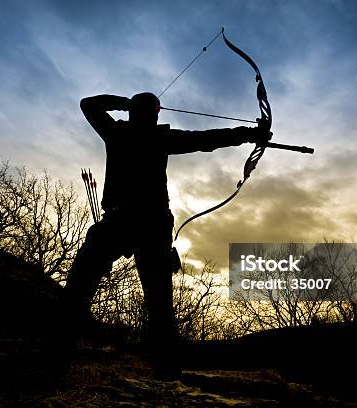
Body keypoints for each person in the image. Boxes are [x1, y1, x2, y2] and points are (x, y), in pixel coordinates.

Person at [65, 92, 271, 376]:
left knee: (149, 289)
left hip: (139, 222)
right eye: (151, 110)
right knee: (98, 275)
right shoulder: (137, 135)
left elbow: (89, 104)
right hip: (137, 221)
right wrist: (250, 134)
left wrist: (250, 134)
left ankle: (157, 353)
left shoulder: (120, 132)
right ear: (154, 114)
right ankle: (71, 331)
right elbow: (206, 140)